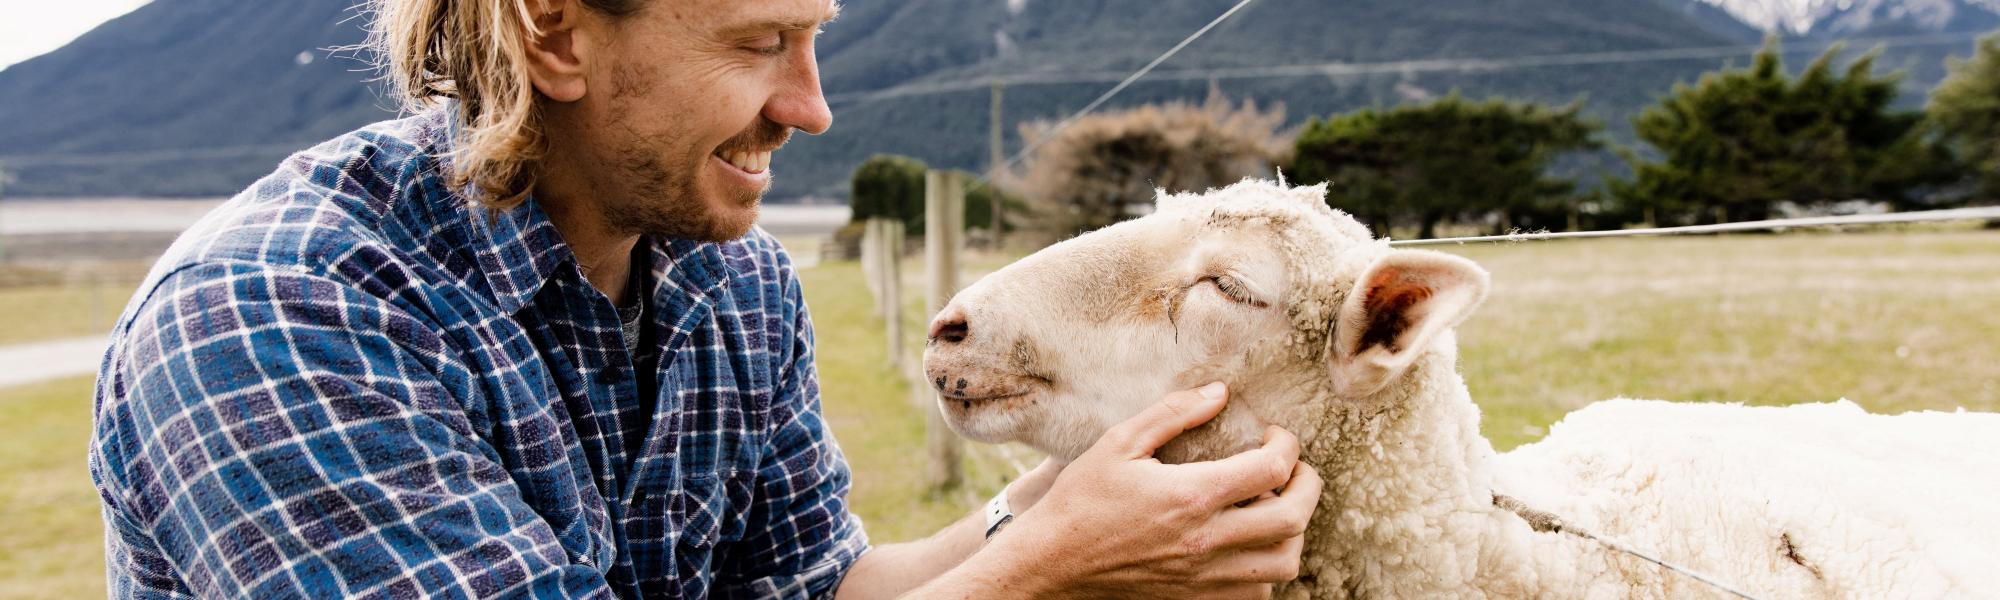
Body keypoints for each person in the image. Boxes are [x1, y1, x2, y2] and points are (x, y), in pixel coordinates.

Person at [86, 0, 1323, 597]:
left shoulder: (730, 282)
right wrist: (1045, 569)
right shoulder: (277, 318)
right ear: (556, 37)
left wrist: (1052, 505)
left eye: (816, 38)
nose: (810, 106)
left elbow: (818, 593)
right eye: (756, 43)